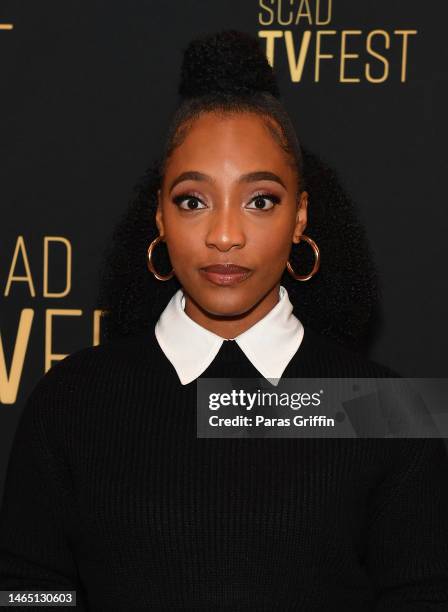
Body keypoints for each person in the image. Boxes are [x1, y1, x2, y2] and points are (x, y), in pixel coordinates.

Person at [1, 29, 448, 611]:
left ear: (300, 216)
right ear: (159, 214)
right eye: (193, 200)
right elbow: (30, 593)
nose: (225, 235)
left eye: (260, 199)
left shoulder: (386, 412)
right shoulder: (72, 402)